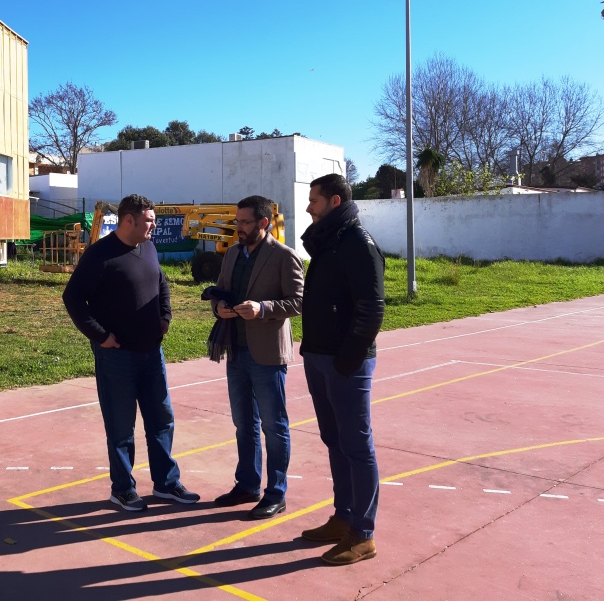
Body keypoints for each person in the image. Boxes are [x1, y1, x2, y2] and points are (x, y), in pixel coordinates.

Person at [63, 194, 200, 512]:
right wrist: (100, 336)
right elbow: (72, 298)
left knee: (161, 420)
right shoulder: (100, 255)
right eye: (150, 220)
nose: (154, 225)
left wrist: (165, 316)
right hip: (117, 356)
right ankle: (122, 489)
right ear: (129, 221)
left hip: (152, 353)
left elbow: (161, 282)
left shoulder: (149, 247)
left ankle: (166, 483)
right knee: (121, 426)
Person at [299, 173, 385, 565]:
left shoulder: (357, 243)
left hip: (344, 362)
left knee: (356, 445)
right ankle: (343, 516)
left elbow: (371, 309)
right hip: (318, 356)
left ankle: (362, 534)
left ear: (334, 201)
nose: (307, 207)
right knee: (334, 440)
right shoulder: (328, 241)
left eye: (313, 200)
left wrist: (347, 360)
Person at [211, 195, 304, 519]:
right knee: (243, 424)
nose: (239, 227)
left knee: (273, 426)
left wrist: (262, 308)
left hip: (267, 354)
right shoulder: (233, 253)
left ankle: (276, 493)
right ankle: (247, 484)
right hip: (236, 350)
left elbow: (298, 301)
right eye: (237, 221)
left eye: (245, 222)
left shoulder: (284, 257)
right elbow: (222, 290)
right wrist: (219, 308)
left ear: (263, 223)